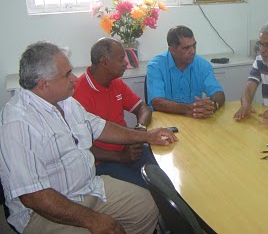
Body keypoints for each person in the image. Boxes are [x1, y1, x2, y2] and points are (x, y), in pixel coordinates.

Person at [0, 41, 178, 233]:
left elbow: (101, 127)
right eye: (67, 74)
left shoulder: (66, 102)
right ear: (44, 84)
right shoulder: (18, 122)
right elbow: (34, 197)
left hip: (88, 187)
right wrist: (93, 220)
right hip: (43, 211)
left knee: (147, 207)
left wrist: (147, 136)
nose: (75, 79)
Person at [74, 37, 157, 188]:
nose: (126, 62)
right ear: (104, 61)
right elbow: (80, 147)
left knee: (166, 175)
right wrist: (120, 156)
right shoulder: (79, 94)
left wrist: (140, 129)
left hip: (128, 149)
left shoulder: (115, 82)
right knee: (146, 188)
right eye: (121, 59)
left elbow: (142, 108)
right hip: (102, 161)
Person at [146, 25, 225, 118]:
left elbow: (219, 93)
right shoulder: (156, 66)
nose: (193, 51)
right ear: (172, 50)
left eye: (194, 45)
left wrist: (212, 105)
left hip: (194, 118)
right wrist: (189, 108)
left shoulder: (202, 64)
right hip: (165, 119)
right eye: (186, 48)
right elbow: (157, 102)